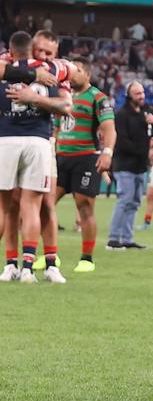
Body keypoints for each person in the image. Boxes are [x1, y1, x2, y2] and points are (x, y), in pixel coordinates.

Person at [0, 31, 69, 283]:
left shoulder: (5, 68)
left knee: (36, 205)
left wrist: (34, 97)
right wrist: (34, 78)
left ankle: (49, 264)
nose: (44, 56)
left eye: (49, 53)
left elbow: (67, 106)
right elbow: (66, 105)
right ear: (33, 47)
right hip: (36, 140)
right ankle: (24, 266)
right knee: (27, 205)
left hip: (10, 139)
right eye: (40, 51)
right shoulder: (52, 71)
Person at [53, 57, 115, 273]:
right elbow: (56, 127)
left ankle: (87, 258)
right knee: (45, 205)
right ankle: (50, 256)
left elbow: (109, 128)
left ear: (87, 74)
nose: (72, 73)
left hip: (85, 158)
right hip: (60, 158)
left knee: (85, 208)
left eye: (77, 70)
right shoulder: (61, 95)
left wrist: (107, 152)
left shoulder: (98, 97)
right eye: (70, 69)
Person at [108, 82, 153, 251]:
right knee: (124, 200)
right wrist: (143, 151)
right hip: (125, 165)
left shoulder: (146, 112)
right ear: (129, 96)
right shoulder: (121, 115)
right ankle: (113, 238)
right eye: (137, 94)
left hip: (141, 166)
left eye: (142, 93)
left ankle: (127, 239)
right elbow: (122, 141)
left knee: (134, 203)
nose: (141, 96)